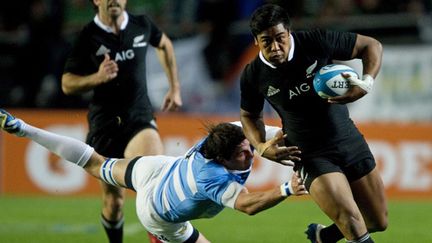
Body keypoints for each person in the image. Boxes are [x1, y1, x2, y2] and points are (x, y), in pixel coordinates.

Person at [0, 109, 307, 243]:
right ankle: (158, 238)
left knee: (96, 163)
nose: (252, 153)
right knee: (94, 167)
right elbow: (247, 205)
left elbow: (278, 133)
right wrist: (285, 189)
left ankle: (22, 127)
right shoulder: (211, 178)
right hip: (158, 213)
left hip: (157, 169)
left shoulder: (232, 134)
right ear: (222, 160)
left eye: (249, 147)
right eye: (244, 153)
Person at [239, 4, 388, 243]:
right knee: (351, 220)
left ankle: (324, 237)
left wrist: (366, 84)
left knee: (377, 221)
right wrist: (261, 146)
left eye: (280, 38)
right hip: (308, 152)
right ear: (256, 41)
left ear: (289, 32)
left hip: (347, 139)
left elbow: (372, 46)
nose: (275, 47)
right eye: (266, 41)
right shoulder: (253, 75)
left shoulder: (316, 41)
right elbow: (248, 115)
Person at [61, 0, 182, 242]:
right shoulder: (87, 36)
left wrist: (174, 88)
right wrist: (97, 77)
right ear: (97, 1)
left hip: (139, 118)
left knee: (154, 187)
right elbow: (67, 83)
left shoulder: (142, 24)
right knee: (114, 202)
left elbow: (165, 45)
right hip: (104, 125)